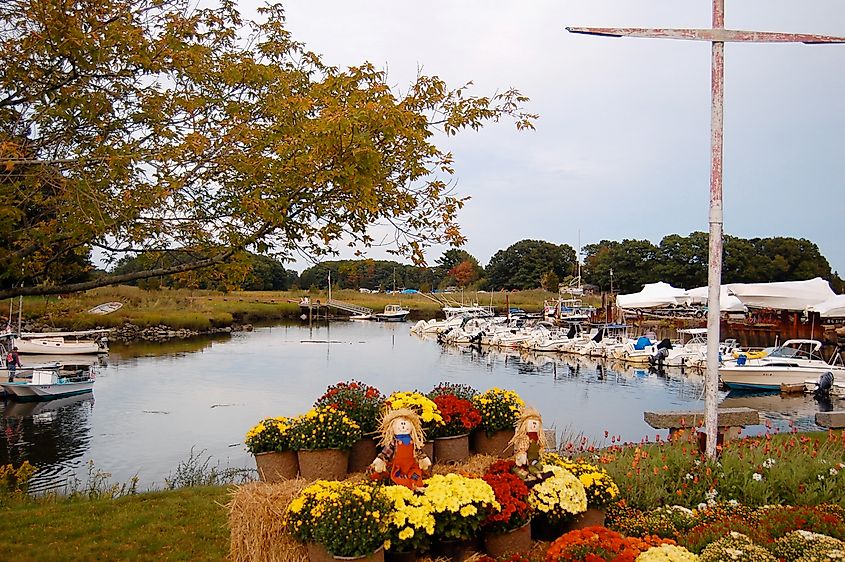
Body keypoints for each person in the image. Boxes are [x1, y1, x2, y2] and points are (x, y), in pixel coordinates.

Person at [370, 408, 431, 489]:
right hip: (398, 468)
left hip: (411, 467)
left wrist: (423, 459)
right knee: (398, 480)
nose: (403, 425)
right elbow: (386, 453)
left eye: (406, 422)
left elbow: (419, 452)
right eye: (400, 423)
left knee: (416, 476)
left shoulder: (413, 442)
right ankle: (405, 488)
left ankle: (416, 487)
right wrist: (380, 460)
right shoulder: (394, 442)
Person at [509, 406, 552, 484]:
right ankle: (530, 476)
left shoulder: (538, 439)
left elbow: (540, 448)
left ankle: (538, 474)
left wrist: (541, 453)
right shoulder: (525, 438)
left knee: (537, 465)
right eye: (532, 423)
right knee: (525, 468)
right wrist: (522, 455)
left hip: (534, 460)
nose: (534, 426)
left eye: (536, 424)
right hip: (527, 460)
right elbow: (522, 449)